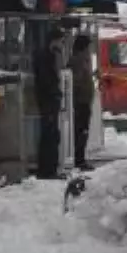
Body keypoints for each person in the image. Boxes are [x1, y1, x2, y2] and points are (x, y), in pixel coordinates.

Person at [33, 25, 65, 179]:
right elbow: (47, 80)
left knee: (51, 134)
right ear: (54, 41)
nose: (61, 45)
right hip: (48, 101)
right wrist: (55, 93)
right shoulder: (45, 56)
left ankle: (49, 168)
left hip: (49, 99)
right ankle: (47, 170)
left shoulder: (50, 54)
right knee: (49, 135)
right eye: (60, 41)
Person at [68, 34, 95, 171]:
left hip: (83, 101)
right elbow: (76, 81)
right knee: (81, 131)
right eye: (88, 46)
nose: (90, 49)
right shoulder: (77, 60)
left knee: (82, 131)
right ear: (83, 47)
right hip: (80, 102)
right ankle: (79, 160)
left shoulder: (82, 59)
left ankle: (80, 158)